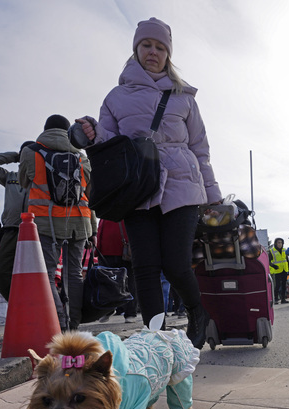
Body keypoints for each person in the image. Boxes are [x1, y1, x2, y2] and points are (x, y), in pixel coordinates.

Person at [76, 17, 222, 348]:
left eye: (160, 47)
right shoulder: (115, 97)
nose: (153, 52)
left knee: (176, 263)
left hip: (183, 186)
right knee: (144, 266)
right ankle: (155, 335)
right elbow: (108, 140)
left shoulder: (184, 97)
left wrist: (212, 195)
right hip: (137, 186)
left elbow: (200, 148)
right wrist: (93, 133)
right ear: (136, 49)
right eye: (147, 45)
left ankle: (198, 313)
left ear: (168, 54)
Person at [19, 114, 97, 331]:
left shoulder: (31, 151)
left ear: (45, 129)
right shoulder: (81, 156)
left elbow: (24, 182)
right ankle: (73, 325)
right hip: (79, 222)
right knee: (73, 273)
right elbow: (90, 194)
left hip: (45, 222)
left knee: (48, 273)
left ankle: (58, 323)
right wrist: (94, 229)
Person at [0, 141, 34, 301]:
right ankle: (17, 303)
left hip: (36, 232)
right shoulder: (9, 177)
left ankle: (37, 305)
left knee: (36, 272)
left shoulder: (42, 179)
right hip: (11, 230)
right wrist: (15, 157)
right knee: (2, 272)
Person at [95, 219, 138, 323]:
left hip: (120, 249)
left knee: (128, 282)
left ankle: (128, 312)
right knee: (112, 283)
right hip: (110, 250)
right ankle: (112, 310)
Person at [268, 237, 289, 304]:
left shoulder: (284, 250)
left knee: (284, 285)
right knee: (277, 285)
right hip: (276, 270)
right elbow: (268, 261)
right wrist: (273, 266)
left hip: (284, 270)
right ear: (275, 243)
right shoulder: (272, 251)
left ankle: (283, 299)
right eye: (278, 243)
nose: (280, 244)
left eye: (281, 243)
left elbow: (287, 260)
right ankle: (276, 299)